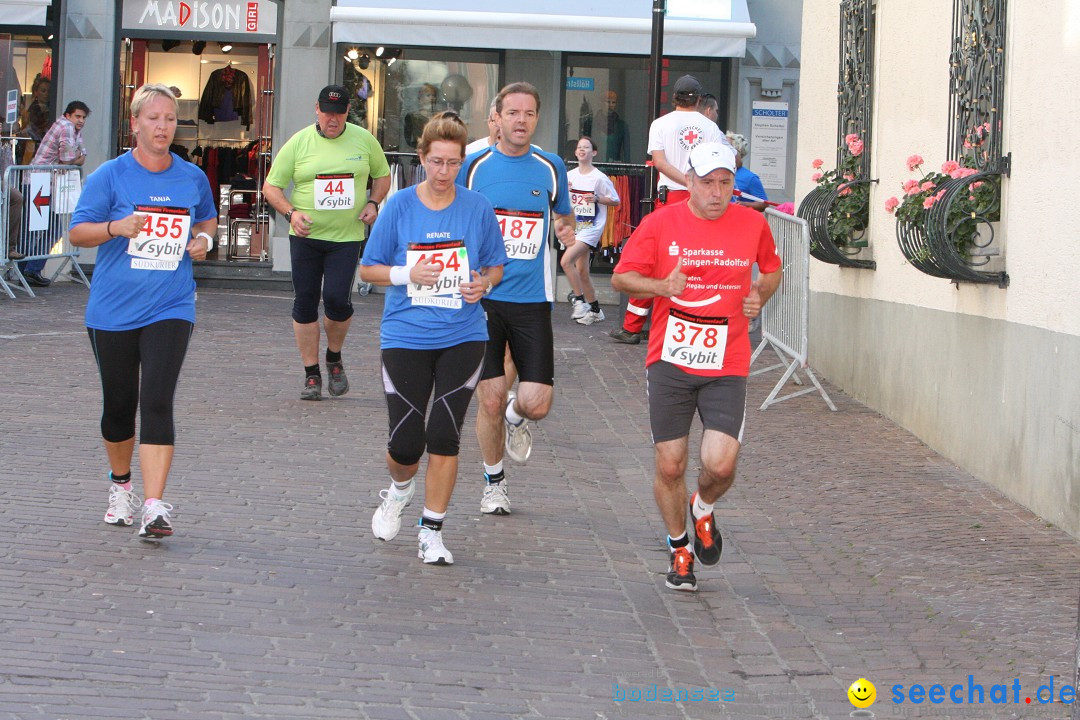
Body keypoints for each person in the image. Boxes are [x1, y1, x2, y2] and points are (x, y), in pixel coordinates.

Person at [611, 142, 782, 591]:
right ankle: (679, 548)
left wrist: (759, 296)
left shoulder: (752, 223)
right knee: (670, 464)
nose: (717, 192)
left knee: (720, 465)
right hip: (670, 357)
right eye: (707, 182)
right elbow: (621, 278)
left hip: (727, 357)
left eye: (725, 182)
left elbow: (772, 269)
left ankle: (703, 507)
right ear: (689, 181)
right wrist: (661, 286)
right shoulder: (659, 223)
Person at [68, 84, 216, 540]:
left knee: (156, 399)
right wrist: (115, 226)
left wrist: (204, 241)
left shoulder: (191, 177)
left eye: (169, 119)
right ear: (135, 123)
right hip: (112, 310)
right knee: (119, 406)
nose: (162, 127)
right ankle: (121, 485)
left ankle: (154, 506)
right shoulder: (110, 176)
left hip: (170, 304)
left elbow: (207, 218)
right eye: (153, 118)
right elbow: (77, 233)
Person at [361, 111, 506, 565]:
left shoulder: (477, 207)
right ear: (421, 158)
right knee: (406, 443)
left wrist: (484, 284)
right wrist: (407, 273)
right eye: (436, 162)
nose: (444, 172)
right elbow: (368, 268)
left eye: (453, 163)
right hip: (405, 334)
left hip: (463, 334)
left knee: (444, 434)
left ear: (462, 162)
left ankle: (432, 530)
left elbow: (495, 266)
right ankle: (399, 489)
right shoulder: (400, 205)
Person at [457, 81, 575, 515]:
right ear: (498, 117)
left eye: (528, 114)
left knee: (536, 402)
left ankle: (516, 418)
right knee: (488, 396)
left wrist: (565, 228)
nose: (520, 121)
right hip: (483, 298)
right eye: (513, 113)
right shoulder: (473, 166)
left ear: (536, 119)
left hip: (531, 299)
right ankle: (494, 483)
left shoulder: (550, 166)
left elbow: (563, 212)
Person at [263, 85, 390, 401]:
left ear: (348, 112)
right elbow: (271, 187)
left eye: (339, 112)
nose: (332, 119)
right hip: (305, 238)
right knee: (304, 302)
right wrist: (291, 214)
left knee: (336, 300)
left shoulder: (364, 140)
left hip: (345, 238)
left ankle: (333, 356)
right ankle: (311, 374)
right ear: (316, 110)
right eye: (327, 112)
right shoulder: (299, 142)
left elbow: (383, 175)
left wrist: (373, 202)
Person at [611, 75, 722, 345]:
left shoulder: (660, 124)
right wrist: (695, 182)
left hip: (669, 198)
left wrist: (683, 179)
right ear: (698, 99)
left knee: (653, 259)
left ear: (675, 97)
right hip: (700, 200)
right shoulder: (709, 128)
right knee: (699, 259)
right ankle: (692, 320)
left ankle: (633, 326)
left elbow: (658, 162)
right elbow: (716, 163)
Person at [17, 101, 91, 286]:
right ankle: (23, 271)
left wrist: (78, 157)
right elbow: (69, 160)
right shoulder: (66, 127)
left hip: (46, 184)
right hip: (39, 183)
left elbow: (81, 154)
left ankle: (30, 270)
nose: (81, 120)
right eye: (77, 116)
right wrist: (78, 158)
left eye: (83, 117)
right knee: (34, 229)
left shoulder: (73, 129)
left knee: (50, 229)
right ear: (68, 115)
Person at [562, 136, 619, 325]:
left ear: (593, 152)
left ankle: (579, 301)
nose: (582, 150)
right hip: (575, 227)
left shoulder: (599, 178)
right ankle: (595, 310)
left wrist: (597, 199)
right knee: (583, 271)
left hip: (591, 227)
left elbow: (615, 199)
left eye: (586, 147)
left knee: (565, 261)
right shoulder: (569, 176)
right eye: (579, 147)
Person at [726, 132, 769, 212]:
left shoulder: (750, 178)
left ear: (736, 152)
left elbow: (764, 204)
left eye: (726, 146)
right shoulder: (717, 172)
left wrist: (745, 204)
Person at [600, 90, 629, 162]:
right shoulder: (592, 123)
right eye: (608, 102)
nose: (611, 105)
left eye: (613, 102)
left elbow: (626, 151)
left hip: (614, 165)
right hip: (595, 164)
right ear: (601, 103)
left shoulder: (621, 126)